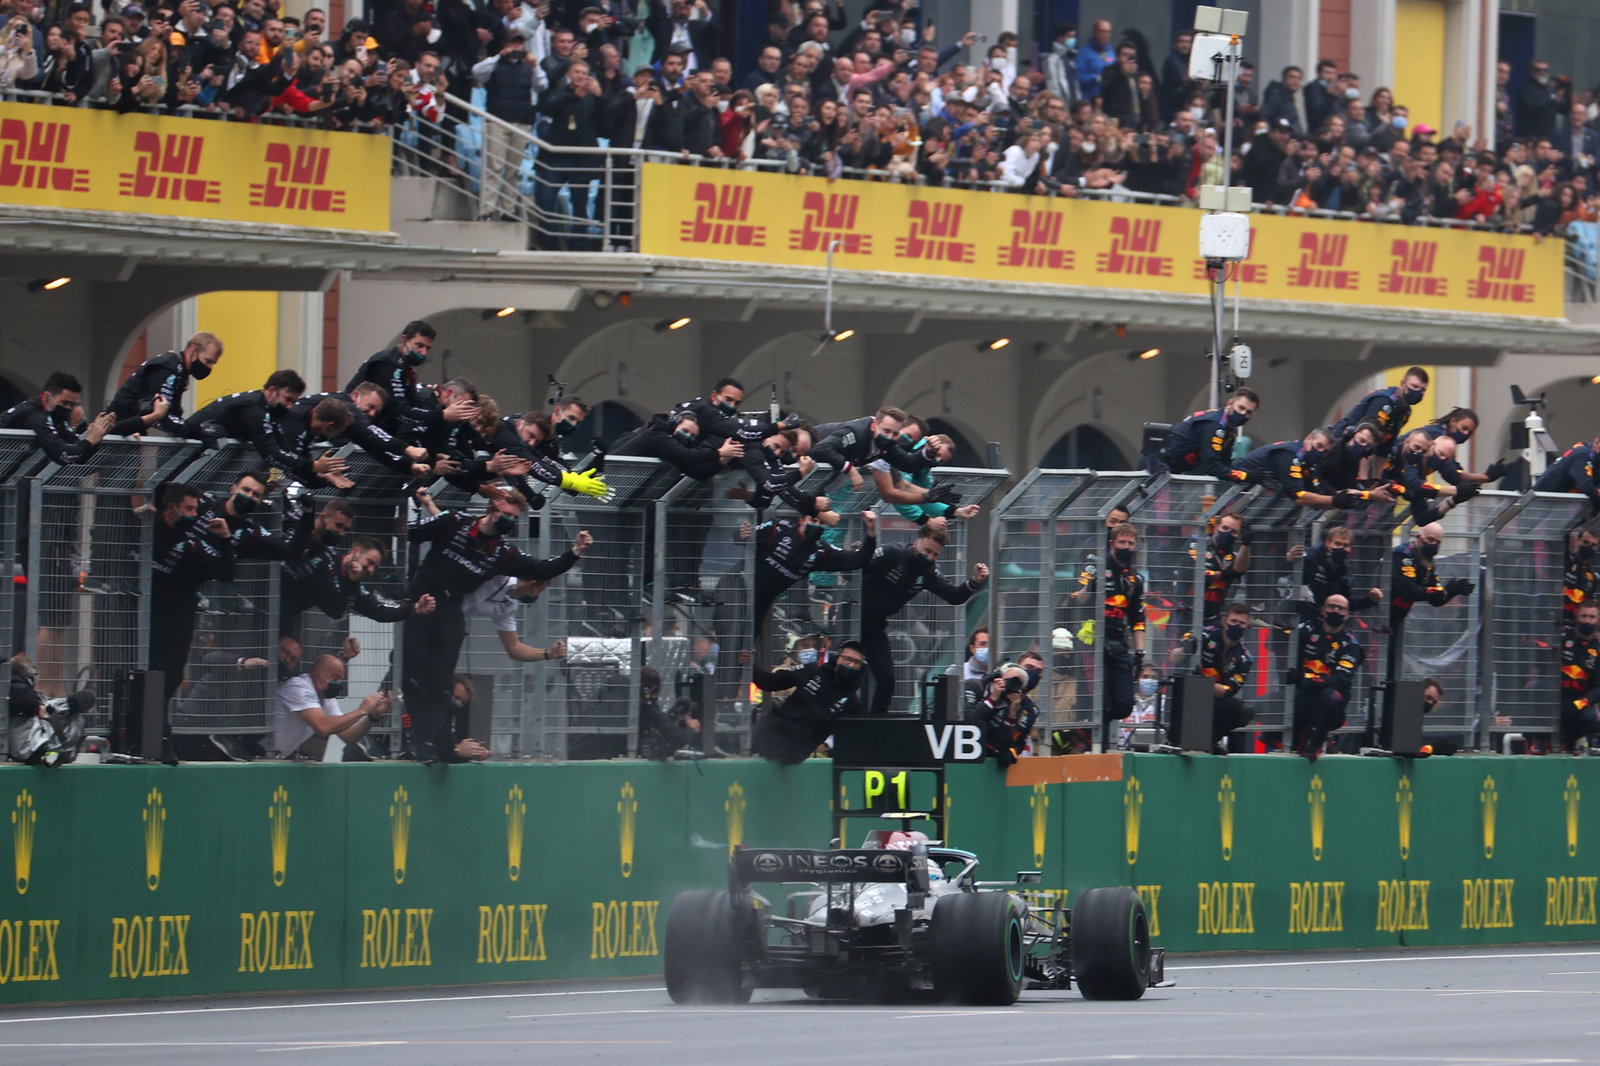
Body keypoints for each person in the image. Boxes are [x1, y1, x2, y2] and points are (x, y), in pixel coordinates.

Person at [403, 491, 589, 761]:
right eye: (507, 514)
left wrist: (574, 553)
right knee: (411, 674)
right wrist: (428, 504)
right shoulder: (459, 524)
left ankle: (436, 745)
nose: (509, 521)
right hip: (422, 600)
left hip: (450, 612)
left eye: (515, 518)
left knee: (441, 682)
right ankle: (410, 738)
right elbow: (429, 528)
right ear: (493, 507)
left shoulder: (503, 557)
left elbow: (542, 570)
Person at [858, 526, 988, 715]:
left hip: (875, 626)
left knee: (887, 678)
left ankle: (876, 724)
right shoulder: (892, 552)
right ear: (916, 542)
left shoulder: (928, 572)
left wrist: (975, 581)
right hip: (850, 618)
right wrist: (860, 550)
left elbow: (954, 596)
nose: (930, 557)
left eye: (935, 554)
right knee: (848, 670)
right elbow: (859, 562)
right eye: (927, 551)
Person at [150, 481, 235, 715]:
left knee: (173, 673)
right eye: (189, 509)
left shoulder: (191, 544)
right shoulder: (149, 527)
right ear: (171, 507)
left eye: (196, 509)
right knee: (144, 669)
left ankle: (157, 721)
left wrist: (225, 538)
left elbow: (225, 572)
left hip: (177, 617)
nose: (195, 515)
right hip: (145, 613)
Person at [193, 373, 356, 489]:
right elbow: (272, 453)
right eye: (288, 399)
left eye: (293, 401)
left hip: (207, 460)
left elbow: (286, 456)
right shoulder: (256, 410)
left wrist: (319, 475)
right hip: (196, 455)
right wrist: (313, 466)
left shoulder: (270, 411)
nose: (290, 407)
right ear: (272, 390)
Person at [280, 532, 437, 638]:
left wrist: (414, 607)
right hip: (270, 587)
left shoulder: (354, 587)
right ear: (355, 552)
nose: (371, 570)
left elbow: (377, 610)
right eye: (370, 562)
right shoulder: (327, 557)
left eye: (375, 567)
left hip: (281, 614)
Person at [751, 508, 875, 636]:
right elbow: (744, 535)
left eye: (821, 523)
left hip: (762, 602)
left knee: (746, 640)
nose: (816, 525)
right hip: (743, 586)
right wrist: (743, 534)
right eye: (813, 520)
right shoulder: (779, 528)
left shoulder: (821, 551)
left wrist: (871, 531)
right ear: (801, 520)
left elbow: (858, 560)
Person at [1071, 521, 1144, 736]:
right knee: (1099, 701)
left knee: (1124, 704)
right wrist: (1091, 586)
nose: (1126, 547)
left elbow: (1138, 619)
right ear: (1112, 543)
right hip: (1092, 640)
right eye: (1122, 542)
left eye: (1130, 543)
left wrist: (1140, 652)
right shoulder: (1096, 567)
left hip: (1118, 641)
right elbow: (1078, 599)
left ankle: (1096, 731)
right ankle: (1095, 742)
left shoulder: (1135, 578)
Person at [750, 638, 866, 764]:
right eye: (847, 659)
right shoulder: (813, 671)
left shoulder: (852, 704)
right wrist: (749, 664)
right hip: (770, 731)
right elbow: (771, 682)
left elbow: (848, 739)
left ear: (861, 666)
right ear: (838, 658)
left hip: (796, 754)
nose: (850, 665)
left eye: (856, 662)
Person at [103, 331, 223, 439]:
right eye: (208, 361)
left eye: (212, 364)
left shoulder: (180, 373)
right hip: (115, 432)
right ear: (193, 349)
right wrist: (197, 430)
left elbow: (173, 414)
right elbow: (159, 415)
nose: (209, 367)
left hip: (131, 433)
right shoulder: (167, 367)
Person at [273, 652, 391, 760]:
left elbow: (349, 736)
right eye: (334, 677)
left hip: (278, 756)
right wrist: (361, 711)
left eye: (340, 679)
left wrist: (372, 716)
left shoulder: (325, 696)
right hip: (265, 751)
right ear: (317, 675)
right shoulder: (298, 687)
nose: (338, 683)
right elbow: (323, 728)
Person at [1290, 592, 1364, 759]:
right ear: (1323, 609)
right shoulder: (1307, 630)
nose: (1335, 611)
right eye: (1331, 606)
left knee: (1329, 695)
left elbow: (1340, 681)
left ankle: (1316, 743)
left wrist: (1305, 678)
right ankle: (1291, 738)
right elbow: (1282, 637)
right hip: (1302, 698)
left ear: (1347, 615)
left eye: (1340, 608)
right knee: (1268, 702)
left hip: (1331, 708)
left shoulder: (1350, 645)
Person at [1183, 601, 1256, 749]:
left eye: (1242, 623)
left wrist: (1203, 681)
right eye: (1233, 621)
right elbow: (1176, 655)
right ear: (1224, 620)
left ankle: (1209, 741)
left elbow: (1227, 691)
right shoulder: (1204, 634)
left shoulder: (1245, 658)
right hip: (1188, 694)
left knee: (1245, 711)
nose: (1237, 626)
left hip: (1215, 700)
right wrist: (1184, 649)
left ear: (1247, 626)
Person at [0, 372, 113, 464]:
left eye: (72, 405)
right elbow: (63, 455)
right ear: (46, 397)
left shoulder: (55, 417)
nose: (68, 409)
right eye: (64, 403)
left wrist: (96, 435)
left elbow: (78, 455)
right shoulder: (35, 415)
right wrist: (90, 440)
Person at [343, 320, 435, 432]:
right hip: (355, 423)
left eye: (427, 348)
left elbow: (414, 401)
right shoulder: (387, 363)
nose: (423, 353)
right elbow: (397, 408)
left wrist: (438, 414)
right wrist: (440, 415)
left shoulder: (405, 367)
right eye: (419, 345)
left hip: (377, 425)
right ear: (404, 340)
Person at [1287, 525, 1383, 625]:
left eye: (1345, 545)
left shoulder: (1344, 570)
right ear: (1328, 543)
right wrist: (1292, 559)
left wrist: (1370, 600)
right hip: (1295, 612)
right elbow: (1292, 568)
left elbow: (1345, 602)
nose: (1341, 548)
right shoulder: (1312, 555)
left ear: (1350, 548)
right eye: (1337, 544)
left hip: (1320, 618)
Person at [461, 573, 567, 663]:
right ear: (531, 584)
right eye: (538, 590)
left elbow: (515, 648)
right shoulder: (499, 576)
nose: (535, 596)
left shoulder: (508, 607)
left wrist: (549, 653)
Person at [1158, 388, 1260, 477]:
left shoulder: (1228, 429)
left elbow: (1225, 463)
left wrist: (1244, 474)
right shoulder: (1214, 424)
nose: (1243, 413)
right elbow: (1212, 466)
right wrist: (1244, 476)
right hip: (1160, 466)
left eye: (1248, 412)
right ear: (1230, 403)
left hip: (1176, 470)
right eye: (1241, 408)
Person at [1329, 366, 1429, 448]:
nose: (1418, 392)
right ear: (1403, 384)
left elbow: (1385, 447)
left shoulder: (1405, 412)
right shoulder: (1384, 401)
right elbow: (1366, 437)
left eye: (1422, 390)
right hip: (1339, 442)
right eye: (1414, 386)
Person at [965, 660, 1038, 767]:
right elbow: (969, 723)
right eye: (1009, 680)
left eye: (1017, 684)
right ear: (998, 677)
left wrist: (1011, 713)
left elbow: (1002, 744)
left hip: (986, 756)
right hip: (963, 747)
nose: (1011, 685)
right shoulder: (975, 686)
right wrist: (993, 698)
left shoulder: (1014, 704)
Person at [1559, 600, 1600, 752]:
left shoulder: (1598, 648)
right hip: (1557, 697)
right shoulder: (1562, 638)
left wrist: (1581, 702)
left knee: (1589, 717)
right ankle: (1540, 742)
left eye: (1592, 617)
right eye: (1584, 616)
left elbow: (1598, 687)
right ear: (1577, 617)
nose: (1587, 621)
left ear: (1597, 620)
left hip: (1581, 701)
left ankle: (1585, 743)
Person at [1201, 512, 1250, 628]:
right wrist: (1224, 574)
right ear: (1216, 527)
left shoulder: (1232, 556)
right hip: (1186, 614)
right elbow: (1199, 576)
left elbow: (1238, 570)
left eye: (1233, 531)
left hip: (1213, 618)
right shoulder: (1198, 545)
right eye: (1225, 528)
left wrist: (1246, 543)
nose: (1228, 533)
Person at [1534, 434, 1600, 507]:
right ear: (1597, 442)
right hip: (1544, 499)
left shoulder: (1593, 458)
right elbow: (1585, 485)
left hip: (1559, 500)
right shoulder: (1582, 455)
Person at [1564, 526, 1599, 629]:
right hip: (1555, 617)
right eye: (1585, 542)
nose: (1589, 547)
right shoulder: (1565, 559)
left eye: (1593, 545)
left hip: (1578, 624)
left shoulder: (1593, 571)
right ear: (1577, 541)